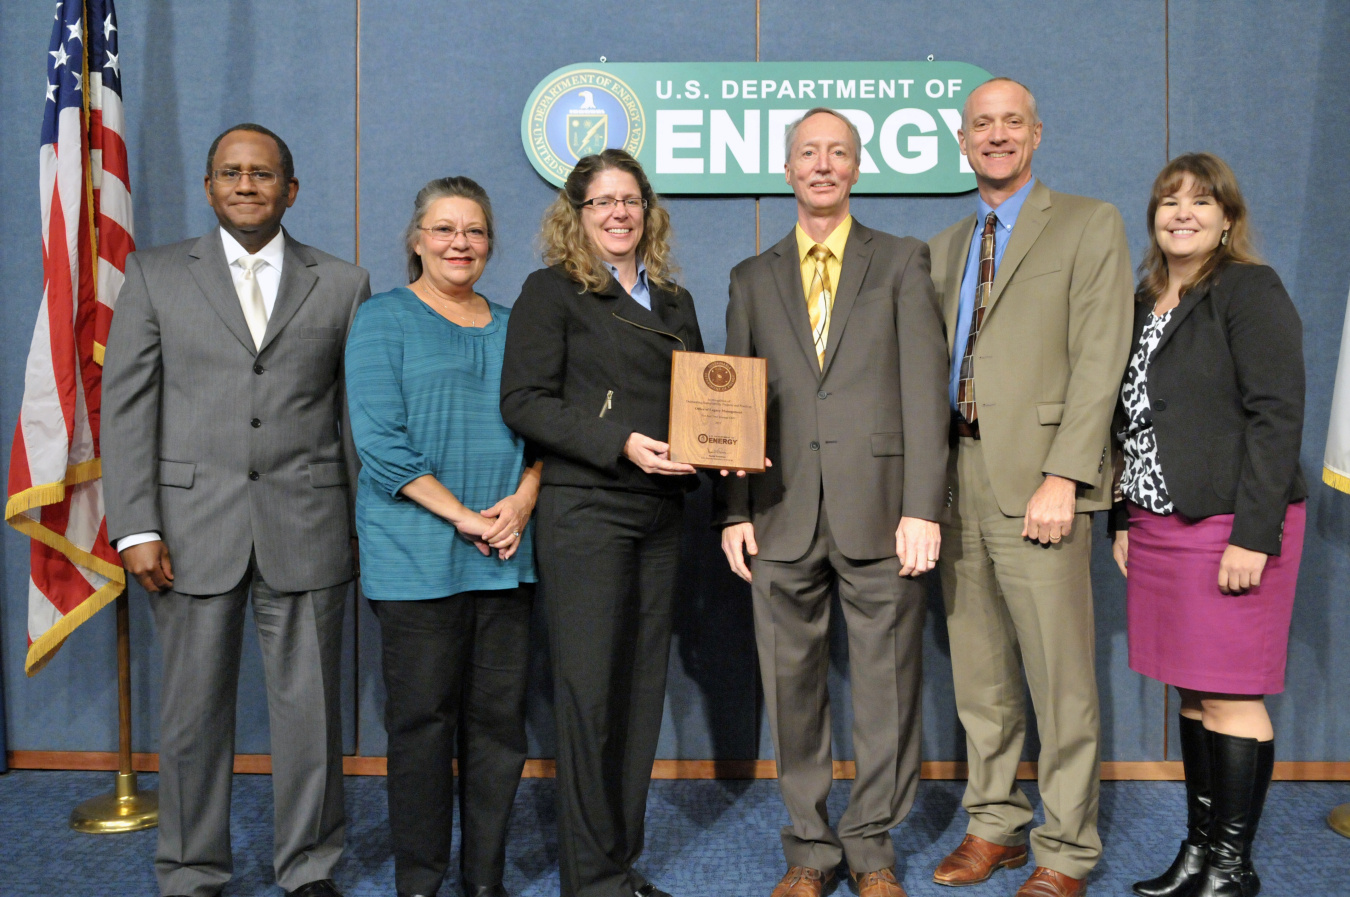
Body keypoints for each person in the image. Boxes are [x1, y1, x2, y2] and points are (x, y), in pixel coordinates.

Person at [103, 124, 370, 897]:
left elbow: (354, 418)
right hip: (187, 534)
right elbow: (126, 409)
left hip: (310, 528)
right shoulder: (153, 275)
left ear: (290, 189)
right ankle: (191, 868)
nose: (246, 185)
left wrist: (363, 527)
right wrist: (137, 525)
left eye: (263, 173)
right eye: (231, 172)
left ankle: (310, 865)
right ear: (210, 186)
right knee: (191, 720)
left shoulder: (343, 283)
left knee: (312, 718)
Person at [715, 107, 950, 897]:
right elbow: (734, 407)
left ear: (857, 168)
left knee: (887, 687)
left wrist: (924, 506)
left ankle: (872, 847)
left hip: (883, 510)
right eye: (808, 153)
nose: (822, 165)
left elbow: (926, 393)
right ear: (786, 170)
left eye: (838, 153)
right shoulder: (751, 278)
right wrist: (734, 509)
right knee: (793, 691)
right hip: (779, 512)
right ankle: (810, 851)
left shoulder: (901, 261)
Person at [926, 79, 1133, 897]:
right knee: (980, 678)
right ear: (964, 139)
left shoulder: (1088, 223)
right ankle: (995, 823)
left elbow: (1100, 358)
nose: (998, 135)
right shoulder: (945, 245)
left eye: (1013, 123)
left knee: (1059, 678)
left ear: (1037, 134)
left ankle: (1066, 847)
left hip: (1043, 483)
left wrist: (1065, 473)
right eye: (983, 125)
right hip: (956, 480)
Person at [499, 149, 704, 897]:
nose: (618, 213)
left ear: (648, 211)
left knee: (640, 693)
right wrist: (616, 441)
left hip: (661, 513)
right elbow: (523, 400)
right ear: (576, 215)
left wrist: (725, 450)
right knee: (589, 694)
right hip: (587, 508)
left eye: (630, 200)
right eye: (602, 202)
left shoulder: (675, 301)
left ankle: (617, 861)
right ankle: (589, 880)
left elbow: (704, 405)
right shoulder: (550, 292)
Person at [1110, 153, 1305, 897]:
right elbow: (1126, 423)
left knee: (1231, 692)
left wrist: (1253, 535)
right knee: (1193, 693)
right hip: (1160, 526)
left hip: (1231, 524)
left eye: (1200, 201)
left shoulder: (1250, 291)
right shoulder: (1141, 302)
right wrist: (1124, 517)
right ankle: (1198, 853)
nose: (1181, 212)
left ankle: (1231, 866)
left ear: (1228, 218)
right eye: (1168, 200)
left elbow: (1276, 414)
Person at [345, 177, 540, 897]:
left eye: (475, 231)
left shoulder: (519, 322)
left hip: (507, 554)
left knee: (497, 730)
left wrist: (521, 501)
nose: (460, 243)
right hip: (415, 557)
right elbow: (381, 443)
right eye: (444, 229)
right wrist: (462, 515)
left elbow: (546, 428)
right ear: (417, 239)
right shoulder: (382, 319)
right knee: (423, 728)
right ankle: (420, 881)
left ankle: (483, 879)